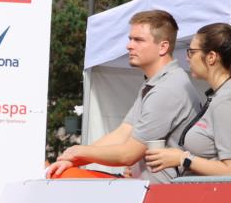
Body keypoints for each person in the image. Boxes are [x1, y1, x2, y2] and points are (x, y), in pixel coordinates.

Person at [46, 10, 200, 182]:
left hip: (162, 192)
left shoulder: (167, 88)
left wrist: (79, 152)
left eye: (138, 40)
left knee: (64, 176)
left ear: (163, 47)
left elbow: (128, 155)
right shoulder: (157, 82)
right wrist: (73, 159)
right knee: (64, 173)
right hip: (143, 186)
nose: (129, 46)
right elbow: (123, 132)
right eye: (130, 39)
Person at [144, 24, 231, 177]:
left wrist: (183, 159)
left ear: (211, 57)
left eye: (192, 52)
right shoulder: (221, 96)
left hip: (215, 192)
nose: (187, 58)